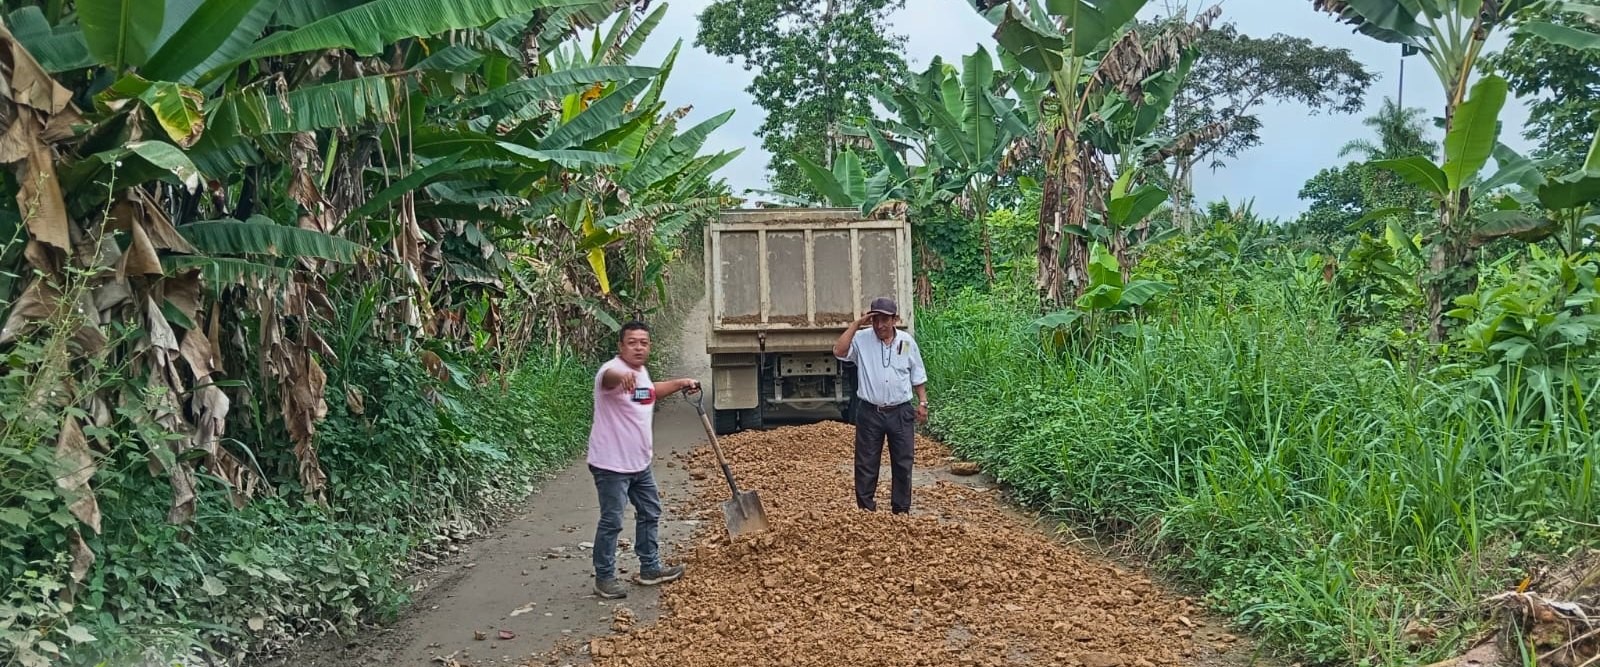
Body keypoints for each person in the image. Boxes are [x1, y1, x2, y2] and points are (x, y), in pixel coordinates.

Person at [587, 320, 700, 599]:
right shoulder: (611, 372)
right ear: (620, 346)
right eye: (632, 343)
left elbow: (647, 394)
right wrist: (621, 376)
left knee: (650, 512)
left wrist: (680, 383)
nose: (638, 348)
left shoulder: (641, 373)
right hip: (611, 465)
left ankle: (650, 568)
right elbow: (610, 378)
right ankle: (604, 577)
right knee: (612, 520)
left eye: (643, 343)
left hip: (640, 463)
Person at [832, 296, 928, 515]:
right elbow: (839, 351)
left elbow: (917, 374)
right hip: (870, 412)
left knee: (903, 461)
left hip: (900, 411)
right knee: (866, 462)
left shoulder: (906, 342)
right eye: (875, 320)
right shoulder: (862, 339)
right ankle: (866, 510)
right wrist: (856, 324)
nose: (879, 325)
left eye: (884, 320)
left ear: (894, 320)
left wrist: (923, 402)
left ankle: (901, 510)